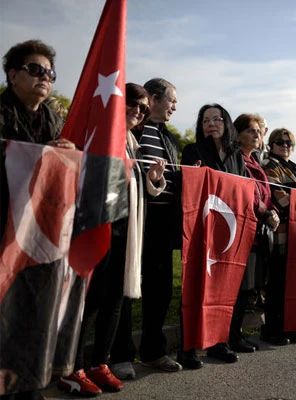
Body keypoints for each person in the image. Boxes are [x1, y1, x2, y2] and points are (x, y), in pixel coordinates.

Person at [59, 84, 166, 395]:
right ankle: (71, 368)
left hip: (125, 230)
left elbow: (133, 185)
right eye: (132, 104)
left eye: (144, 109)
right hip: (96, 228)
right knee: (89, 301)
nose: (138, 111)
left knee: (114, 300)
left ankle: (98, 362)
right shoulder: (100, 134)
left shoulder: (133, 142)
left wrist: (154, 179)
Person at [0, 39, 75, 398]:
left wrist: (68, 153)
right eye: (35, 69)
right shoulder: (1, 111)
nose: (45, 77)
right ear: (13, 75)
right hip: (4, 229)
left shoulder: (54, 119)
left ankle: (28, 382)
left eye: (50, 72)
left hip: (40, 234)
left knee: (35, 312)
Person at [114, 78, 183, 373]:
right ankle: (120, 356)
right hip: (133, 219)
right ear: (154, 98)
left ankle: (154, 352)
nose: (175, 107)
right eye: (172, 101)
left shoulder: (171, 139)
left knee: (161, 289)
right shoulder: (131, 130)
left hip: (162, 224)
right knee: (127, 288)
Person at [180, 104, 249, 364]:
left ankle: (219, 343)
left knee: (225, 287)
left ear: (226, 123)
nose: (211, 124)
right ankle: (187, 348)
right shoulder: (192, 150)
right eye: (205, 120)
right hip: (201, 228)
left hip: (227, 230)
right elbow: (187, 187)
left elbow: (242, 189)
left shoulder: (236, 155)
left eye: (216, 119)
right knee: (195, 286)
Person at [232, 113, 280, 346]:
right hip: (241, 230)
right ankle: (232, 336)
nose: (257, 134)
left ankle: (235, 334)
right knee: (239, 288)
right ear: (238, 135)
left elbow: (265, 193)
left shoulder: (255, 163)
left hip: (258, 229)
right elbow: (245, 192)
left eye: (259, 131)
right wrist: (265, 211)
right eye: (251, 130)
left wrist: (273, 212)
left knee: (248, 286)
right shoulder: (237, 159)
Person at [260, 128, 296, 345]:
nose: (285, 146)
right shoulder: (270, 166)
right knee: (277, 284)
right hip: (281, 235)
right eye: (280, 142)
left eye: (289, 143)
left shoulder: (294, 170)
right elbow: (281, 199)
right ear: (271, 144)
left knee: (292, 284)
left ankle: (289, 326)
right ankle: (272, 329)